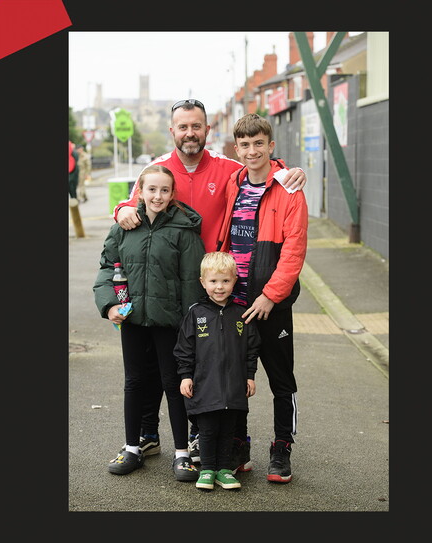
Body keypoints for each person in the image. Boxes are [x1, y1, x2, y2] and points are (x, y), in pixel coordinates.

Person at [112, 99, 307, 464]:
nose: (190, 133)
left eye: (196, 126)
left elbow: (262, 169)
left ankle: (241, 441)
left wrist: (287, 171)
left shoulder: (229, 170)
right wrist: (122, 208)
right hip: (172, 286)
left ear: (207, 130)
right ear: (172, 131)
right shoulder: (158, 171)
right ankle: (149, 434)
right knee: (163, 366)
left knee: (221, 369)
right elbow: (132, 203)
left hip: (223, 287)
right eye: (182, 127)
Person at [92, 164, 205, 482]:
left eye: (164, 190)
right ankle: (133, 448)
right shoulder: (124, 227)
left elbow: (191, 282)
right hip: (132, 320)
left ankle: (182, 454)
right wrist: (109, 305)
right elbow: (106, 267)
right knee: (134, 383)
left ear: (172, 194)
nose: (157, 196)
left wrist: (191, 326)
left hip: (170, 324)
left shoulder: (184, 231)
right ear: (139, 191)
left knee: (174, 385)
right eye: (151, 189)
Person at [215, 113, 308, 484]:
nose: (252, 151)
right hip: (236, 302)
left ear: (271, 146)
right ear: (236, 149)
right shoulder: (233, 183)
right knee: (237, 378)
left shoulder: (289, 189)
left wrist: (270, 296)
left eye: (259, 144)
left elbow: (294, 250)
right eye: (245, 145)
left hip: (271, 305)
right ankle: (239, 444)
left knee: (281, 379)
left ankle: (282, 447)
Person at [175, 251, 260, 491]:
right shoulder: (195, 314)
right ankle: (208, 469)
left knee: (228, 430)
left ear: (235, 280)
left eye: (225, 281)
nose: (219, 287)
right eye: (213, 281)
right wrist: (185, 376)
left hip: (234, 386)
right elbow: (184, 348)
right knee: (208, 430)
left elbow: (251, 348)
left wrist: (250, 376)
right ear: (203, 283)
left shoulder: (241, 315)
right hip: (205, 384)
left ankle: (224, 470)